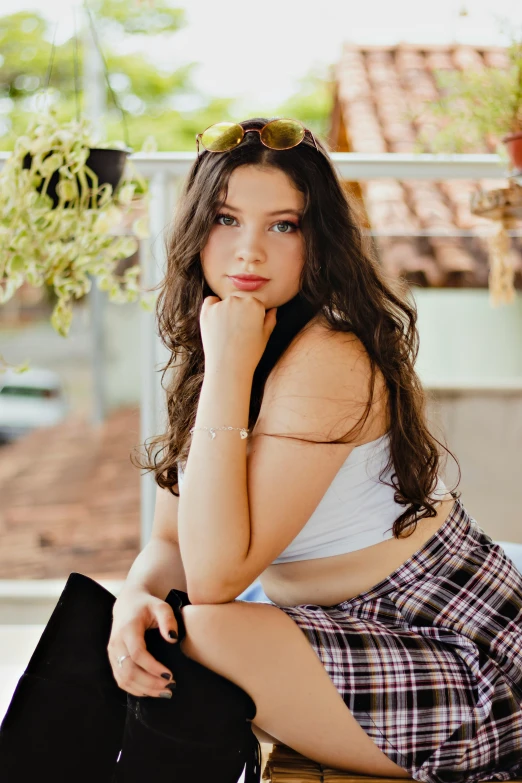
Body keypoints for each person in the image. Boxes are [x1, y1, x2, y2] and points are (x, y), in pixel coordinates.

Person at [108, 117, 522, 783]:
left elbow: (214, 577)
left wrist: (230, 368)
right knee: (139, 628)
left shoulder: (327, 354)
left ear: (318, 241)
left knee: (203, 630)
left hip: (455, 645)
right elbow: (171, 542)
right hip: (343, 623)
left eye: (284, 225)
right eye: (226, 218)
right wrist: (132, 594)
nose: (249, 252)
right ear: (196, 229)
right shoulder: (222, 338)